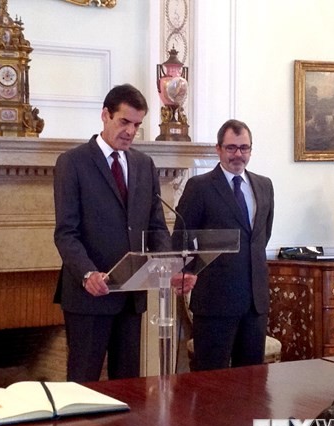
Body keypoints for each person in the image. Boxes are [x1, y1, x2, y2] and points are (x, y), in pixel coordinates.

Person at [53, 84, 196, 382]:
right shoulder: (73, 163)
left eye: (137, 125)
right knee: (83, 384)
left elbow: (156, 225)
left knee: (128, 385)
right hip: (90, 295)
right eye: (124, 122)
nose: (131, 131)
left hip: (131, 295)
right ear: (105, 115)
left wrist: (170, 267)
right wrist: (87, 274)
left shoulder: (144, 165)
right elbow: (66, 232)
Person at [174, 119, 274, 371]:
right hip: (215, 304)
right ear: (218, 149)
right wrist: (188, 273)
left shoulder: (264, 185)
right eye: (231, 148)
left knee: (252, 385)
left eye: (244, 148)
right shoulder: (200, 187)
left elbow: (261, 238)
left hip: (255, 303)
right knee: (211, 385)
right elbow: (182, 239)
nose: (238, 154)